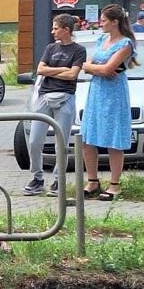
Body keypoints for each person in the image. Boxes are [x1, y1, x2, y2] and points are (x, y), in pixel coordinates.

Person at [79, 3, 136, 201]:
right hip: (96, 92)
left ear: (115, 22)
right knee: (88, 138)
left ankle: (115, 184)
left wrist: (98, 68)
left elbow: (106, 69)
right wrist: (97, 67)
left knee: (114, 139)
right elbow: (92, 65)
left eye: (103, 20)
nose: (100, 23)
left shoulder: (126, 44)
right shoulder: (102, 38)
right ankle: (92, 181)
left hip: (114, 94)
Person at [26, 13, 87, 196]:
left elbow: (72, 75)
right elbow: (40, 70)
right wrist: (62, 69)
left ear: (66, 30)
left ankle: (58, 180)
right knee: (35, 140)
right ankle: (37, 178)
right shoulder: (51, 48)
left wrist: (54, 72)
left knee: (62, 141)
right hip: (45, 97)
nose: (52, 31)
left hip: (66, 98)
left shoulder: (78, 50)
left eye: (55, 28)